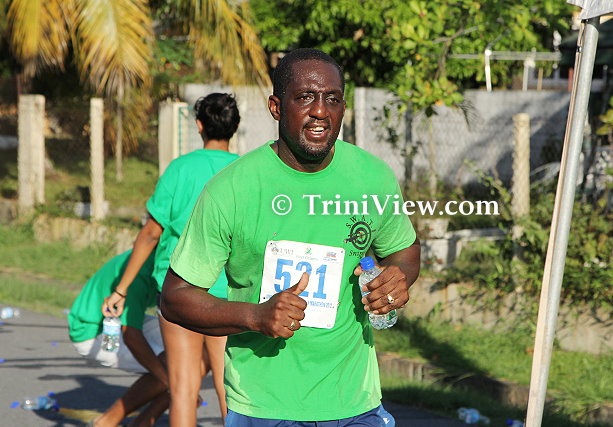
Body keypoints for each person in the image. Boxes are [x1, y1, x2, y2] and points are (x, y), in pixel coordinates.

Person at [160, 48, 421, 425]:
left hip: (355, 403)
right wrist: (255, 316)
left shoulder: (372, 177)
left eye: (332, 99)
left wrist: (397, 278)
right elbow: (175, 297)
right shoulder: (232, 189)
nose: (320, 111)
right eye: (305, 97)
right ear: (276, 107)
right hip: (264, 407)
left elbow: (405, 251)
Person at [102, 93, 241, 425]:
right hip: (227, 292)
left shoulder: (180, 169)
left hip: (179, 288)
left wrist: (121, 289)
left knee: (182, 390)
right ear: (234, 127)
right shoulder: (244, 171)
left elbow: (152, 233)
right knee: (229, 391)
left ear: (199, 125)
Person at [68, 249, 169, 427]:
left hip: (123, 320)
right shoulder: (140, 273)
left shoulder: (160, 256)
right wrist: (170, 383)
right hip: (92, 329)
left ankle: (141, 423)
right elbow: (131, 336)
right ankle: (105, 423)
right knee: (173, 367)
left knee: (195, 350)